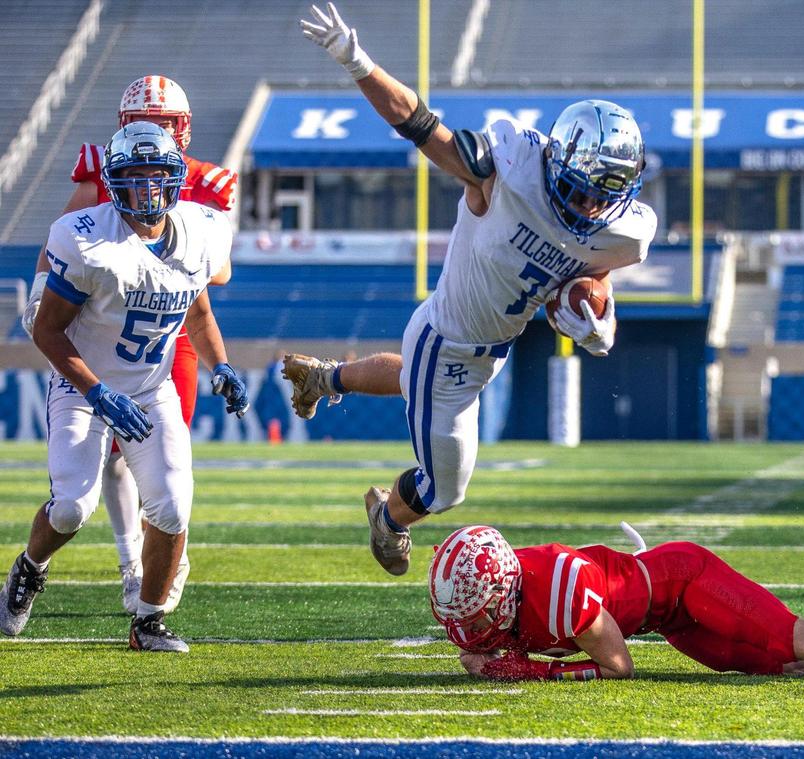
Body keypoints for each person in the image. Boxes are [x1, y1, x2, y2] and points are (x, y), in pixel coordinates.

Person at [289, 3, 657, 576]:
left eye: (600, 197)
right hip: (452, 339)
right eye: (580, 191)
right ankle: (388, 517)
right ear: (557, 163)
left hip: (483, 345)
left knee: (417, 378)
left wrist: (596, 312)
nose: (588, 207)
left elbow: (596, 270)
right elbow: (418, 123)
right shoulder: (508, 171)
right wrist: (355, 60)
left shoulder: (624, 230)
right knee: (445, 489)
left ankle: (325, 376)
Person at [0, 123, 248, 651]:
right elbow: (46, 328)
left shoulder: (202, 231)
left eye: (156, 175)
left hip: (151, 388)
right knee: (70, 507)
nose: (146, 188)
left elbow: (197, 312)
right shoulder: (88, 239)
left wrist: (220, 366)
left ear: (175, 178)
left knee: (173, 504)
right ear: (113, 183)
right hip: (83, 388)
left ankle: (149, 620)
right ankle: (30, 567)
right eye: (133, 177)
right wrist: (96, 393)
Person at [428, 524, 804, 680]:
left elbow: (618, 667)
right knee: (793, 665)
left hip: (683, 582)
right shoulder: (505, 580)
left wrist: (533, 673)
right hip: (667, 618)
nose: (470, 627)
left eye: (477, 614)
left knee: (801, 639)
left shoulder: (557, 593)